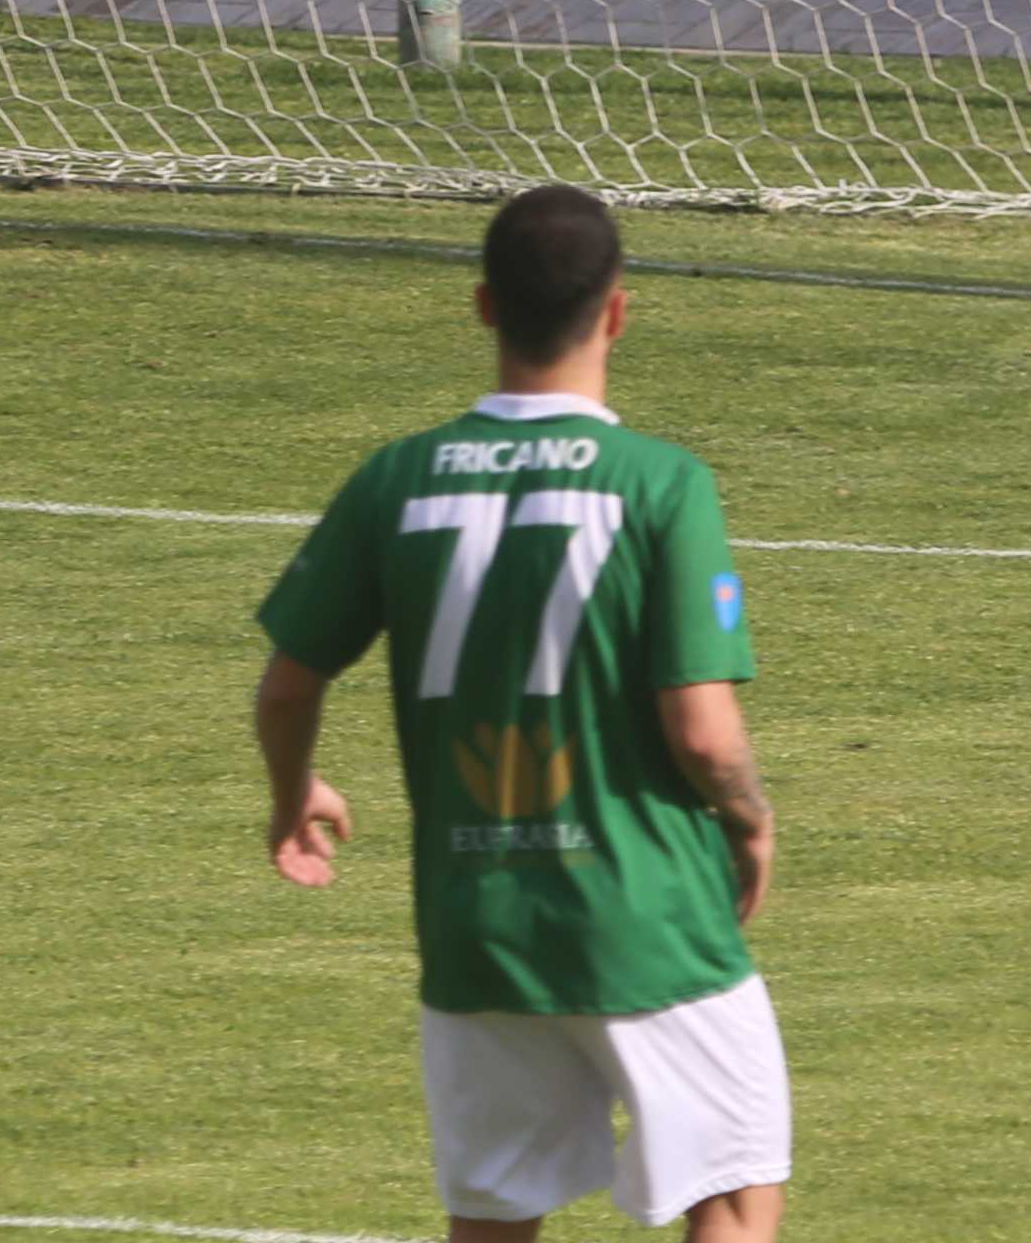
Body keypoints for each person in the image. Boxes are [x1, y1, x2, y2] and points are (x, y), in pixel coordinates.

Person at [252, 184, 787, 1242]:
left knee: (495, 1217)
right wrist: (750, 819)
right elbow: (701, 730)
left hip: (477, 927)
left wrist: (292, 795)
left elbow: (288, 683)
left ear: (485, 306)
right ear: (620, 311)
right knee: (728, 1192)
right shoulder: (660, 484)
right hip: (648, 920)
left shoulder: (397, 479)